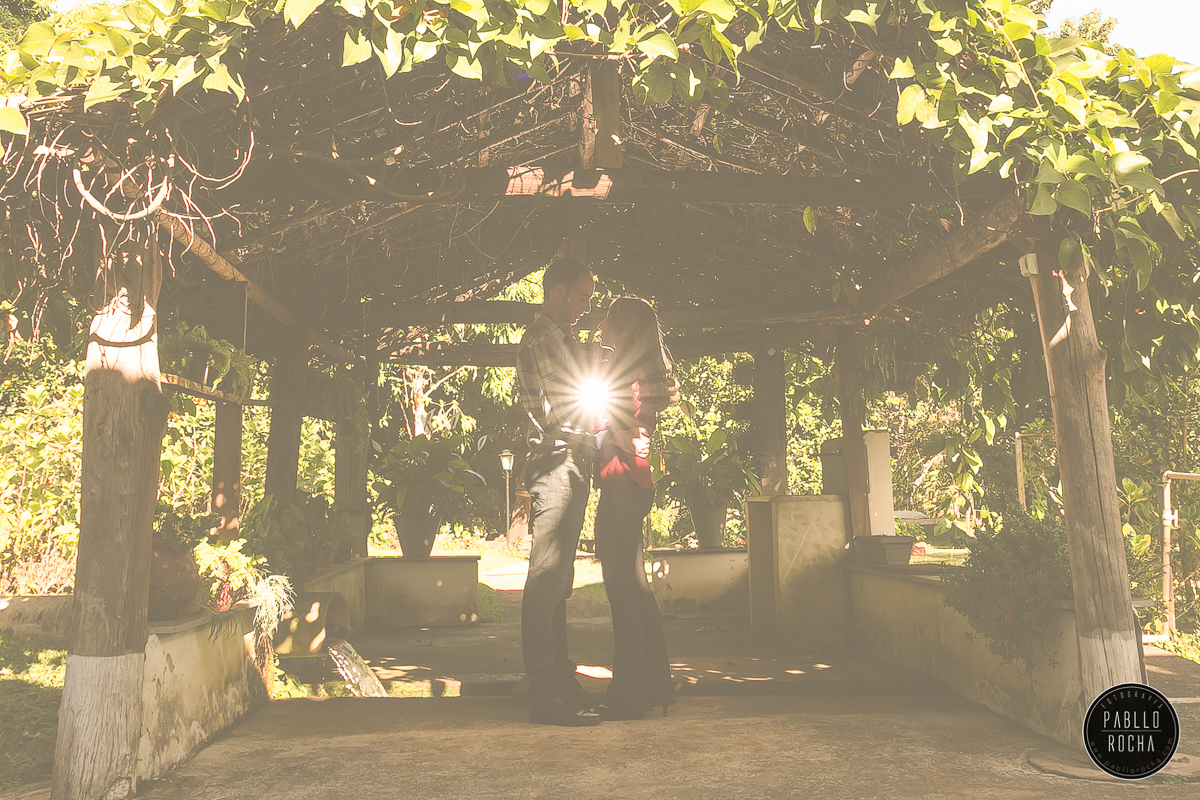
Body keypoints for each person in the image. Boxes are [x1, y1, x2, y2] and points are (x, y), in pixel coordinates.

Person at [515, 256, 603, 727]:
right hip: (558, 461)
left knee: (557, 583)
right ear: (557, 291)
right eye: (583, 296)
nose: (587, 306)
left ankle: (558, 684)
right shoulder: (545, 338)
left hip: (567, 461)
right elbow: (567, 408)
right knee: (547, 580)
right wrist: (606, 425)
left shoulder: (559, 337)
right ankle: (546, 694)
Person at [594, 296, 677, 720]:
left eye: (608, 318)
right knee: (635, 588)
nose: (601, 324)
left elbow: (605, 426)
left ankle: (631, 693)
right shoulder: (646, 372)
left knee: (622, 588)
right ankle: (653, 687)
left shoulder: (623, 374)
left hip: (623, 483)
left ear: (623, 327)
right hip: (635, 484)